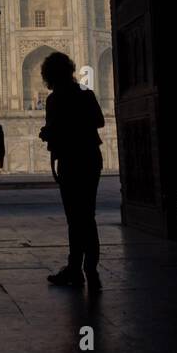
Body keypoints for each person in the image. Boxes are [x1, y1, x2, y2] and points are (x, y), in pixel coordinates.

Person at [38, 52, 105, 290]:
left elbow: (54, 130)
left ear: (49, 76)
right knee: (86, 215)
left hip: (71, 160)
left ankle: (77, 269)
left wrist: (52, 131)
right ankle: (88, 269)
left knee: (76, 218)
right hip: (89, 157)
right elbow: (99, 121)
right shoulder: (85, 94)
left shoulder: (54, 100)